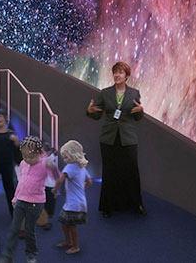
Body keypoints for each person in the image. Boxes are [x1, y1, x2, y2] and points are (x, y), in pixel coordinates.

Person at [86, 61, 146, 217]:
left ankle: (136, 204)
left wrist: (141, 111)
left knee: (131, 171)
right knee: (110, 171)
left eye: (120, 72)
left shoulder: (134, 93)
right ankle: (107, 206)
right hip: (109, 138)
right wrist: (90, 111)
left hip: (128, 137)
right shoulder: (105, 93)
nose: (117, 75)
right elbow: (97, 114)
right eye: (115, 72)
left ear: (126, 76)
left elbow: (138, 116)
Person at [0, 137, 56, 263]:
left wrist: (52, 167)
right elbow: (21, 182)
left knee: (30, 231)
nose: (28, 160)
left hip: (36, 202)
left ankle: (31, 255)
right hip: (21, 200)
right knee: (14, 229)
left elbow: (56, 177)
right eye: (25, 157)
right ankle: (7, 256)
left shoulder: (44, 164)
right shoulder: (23, 164)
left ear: (39, 153)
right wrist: (15, 198)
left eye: (31, 157)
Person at [53, 140, 91, 255]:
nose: (65, 160)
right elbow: (89, 182)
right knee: (64, 221)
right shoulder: (82, 167)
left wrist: (55, 190)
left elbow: (60, 180)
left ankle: (75, 246)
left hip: (74, 203)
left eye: (66, 157)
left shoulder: (70, 167)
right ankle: (68, 241)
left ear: (73, 155)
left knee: (71, 224)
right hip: (78, 202)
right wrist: (81, 189)